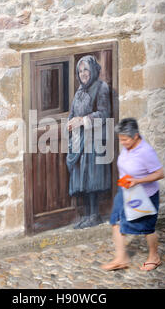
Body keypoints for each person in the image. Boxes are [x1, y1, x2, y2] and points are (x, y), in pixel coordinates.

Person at [101, 118, 165, 271]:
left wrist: (138, 180)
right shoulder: (128, 147)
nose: (122, 142)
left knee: (146, 228)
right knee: (116, 221)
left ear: (135, 136)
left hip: (144, 195)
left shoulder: (146, 151)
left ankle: (154, 257)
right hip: (125, 190)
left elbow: (160, 173)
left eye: (125, 139)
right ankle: (121, 258)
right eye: (120, 139)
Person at [66, 55, 112, 229]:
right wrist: (70, 122)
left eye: (86, 69)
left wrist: (83, 120)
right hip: (80, 139)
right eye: (80, 70)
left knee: (91, 177)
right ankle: (87, 215)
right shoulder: (79, 91)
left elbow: (104, 114)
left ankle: (95, 215)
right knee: (82, 177)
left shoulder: (101, 88)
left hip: (94, 139)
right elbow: (72, 113)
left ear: (93, 70)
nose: (83, 73)